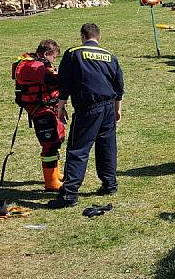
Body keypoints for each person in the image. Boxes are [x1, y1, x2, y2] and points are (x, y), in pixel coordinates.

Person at [50, 23, 124, 209]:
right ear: (99, 37)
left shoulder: (74, 53)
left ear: (83, 36)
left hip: (88, 107)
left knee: (78, 148)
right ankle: (110, 184)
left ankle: (69, 194)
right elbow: (119, 85)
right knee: (107, 146)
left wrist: (61, 105)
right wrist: (117, 108)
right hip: (108, 106)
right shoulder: (109, 56)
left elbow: (64, 81)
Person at [12, 40, 65, 191]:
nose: (54, 61)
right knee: (49, 145)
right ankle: (51, 182)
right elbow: (55, 80)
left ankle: (56, 175)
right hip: (41, 109)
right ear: (47, 53)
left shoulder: (33, 63)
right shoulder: (35, 67)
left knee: (55, 141)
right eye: (54, 57)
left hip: (46, 107)